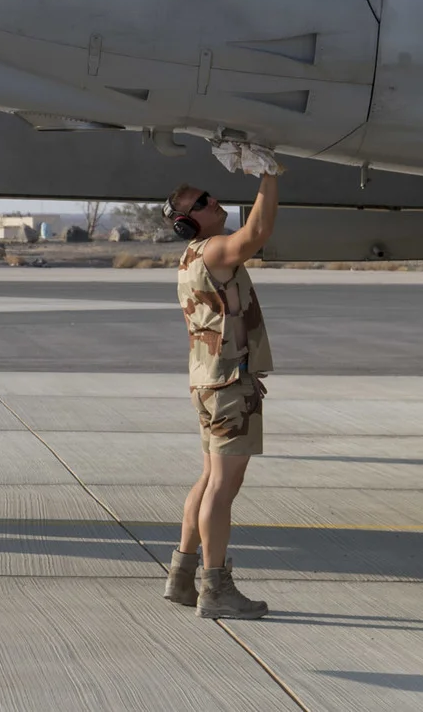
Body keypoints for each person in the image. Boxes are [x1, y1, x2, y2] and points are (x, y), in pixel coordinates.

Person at [161, 165, 279, 620]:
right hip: (229, 384)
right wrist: (269, 175)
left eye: (208, 196)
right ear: (191, 221)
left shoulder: (191, 255)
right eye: (202, 202)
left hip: (209, 380)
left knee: (210, 480)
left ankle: (182, 576)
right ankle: (215, 589)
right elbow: (259, 231)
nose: (213, 201)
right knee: (224, 489)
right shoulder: (214, 251)